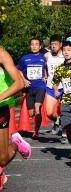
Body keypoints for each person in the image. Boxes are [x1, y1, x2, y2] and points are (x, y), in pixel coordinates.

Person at [0, 48, 30, 190]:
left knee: (3, 159)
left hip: (1, 107)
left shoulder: (2, 54)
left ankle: (16, 144)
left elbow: (19, 84)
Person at [17, 38, 46, 139]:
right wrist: (24, 80)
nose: (34, 46)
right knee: (31, 113)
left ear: (40, 46)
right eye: (32, 44)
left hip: (40, 87)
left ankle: (36, 132)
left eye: (36, 44)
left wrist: (45, 76)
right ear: (30, 46)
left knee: (38, 108)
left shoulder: (44, 57)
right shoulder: (24, 58)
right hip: (29, 88)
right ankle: (35, 124)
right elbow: (19, 70)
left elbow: (48, 68)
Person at [43, 35, 65, 136]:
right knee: (49, 113)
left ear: (60, 45)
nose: (53, 46)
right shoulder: (47, 55)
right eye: (52, 44)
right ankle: (57, 120)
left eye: (55, 44)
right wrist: (45, 75)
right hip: (50, 87)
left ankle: (64, 135)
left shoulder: (65, 55)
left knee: (65, 112)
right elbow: (44, 66)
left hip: (63, 87)